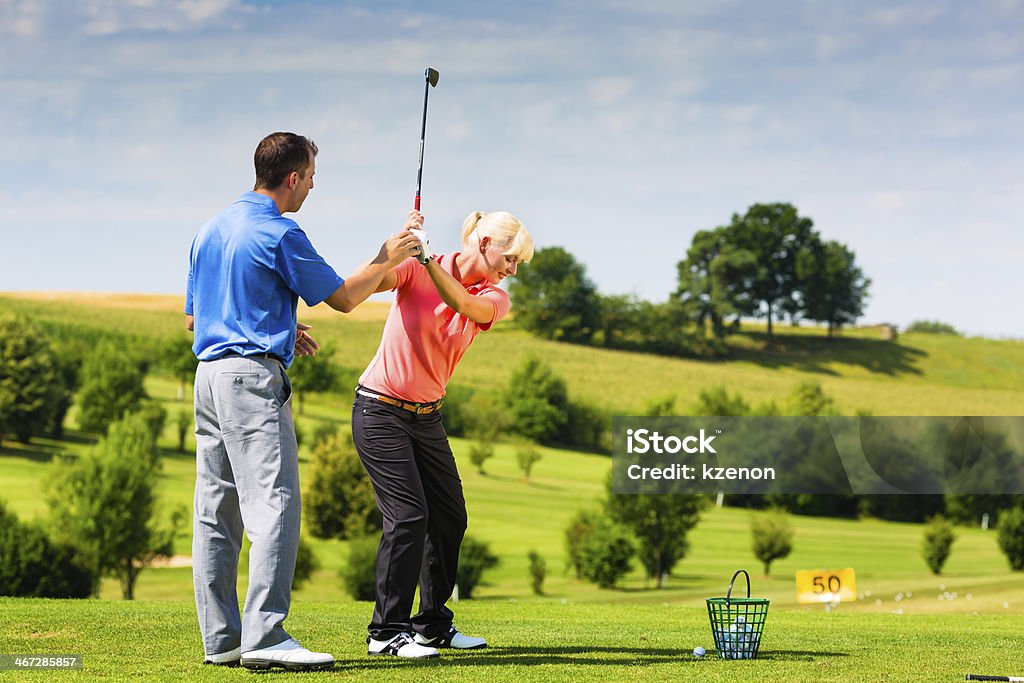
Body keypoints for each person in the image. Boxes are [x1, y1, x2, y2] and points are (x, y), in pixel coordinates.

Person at [185, 131, 422, 671]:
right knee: (275, 505)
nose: (313, 186)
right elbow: (343, 297)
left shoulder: (210, 229)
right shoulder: (280, 231)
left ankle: (222, 641)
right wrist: (388, 254)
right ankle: (266, 635)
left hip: (209, 378)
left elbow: (198, 320)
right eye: (312, 177)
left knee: (214, 514)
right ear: (292, 177)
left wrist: (282, 325)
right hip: (251, 383)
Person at [352, 210, 534, 658]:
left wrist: (428, 258)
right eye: (510, 259)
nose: (512, 271)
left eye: (517, 265)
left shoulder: (493, 296)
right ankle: (386, 633)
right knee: (409, 515)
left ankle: (431, 625)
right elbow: (367, 285)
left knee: (450, 516)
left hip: (427, 417)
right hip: (379, 410)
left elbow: (461, 305)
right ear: (487, 241)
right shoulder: (415, 267)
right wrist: (396, 248)